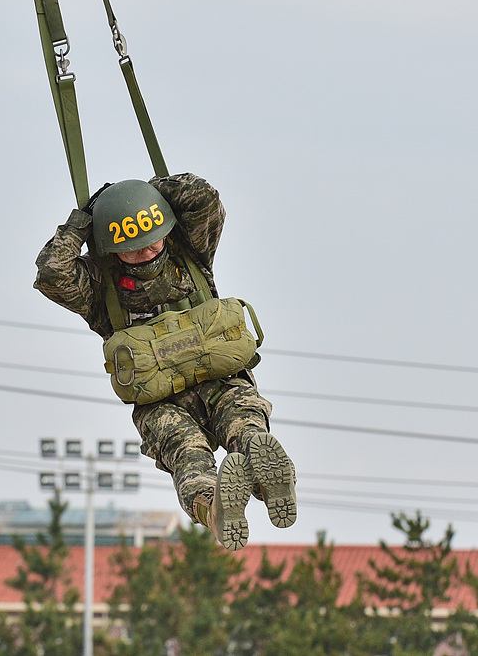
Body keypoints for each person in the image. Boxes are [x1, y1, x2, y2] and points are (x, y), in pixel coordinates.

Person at [34, 173, 296, 550]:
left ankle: (263, 466)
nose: (147, 251)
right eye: (133, 246)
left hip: (220, 380)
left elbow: (202, 197)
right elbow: (52, 273)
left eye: (152, 238)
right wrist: (82, 223)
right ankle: (217, 507)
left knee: (244, 421)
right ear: (110, 248)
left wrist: (150, 192)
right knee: (186, 454)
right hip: (162, 405)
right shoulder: (99, 288)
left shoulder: (191, 253)